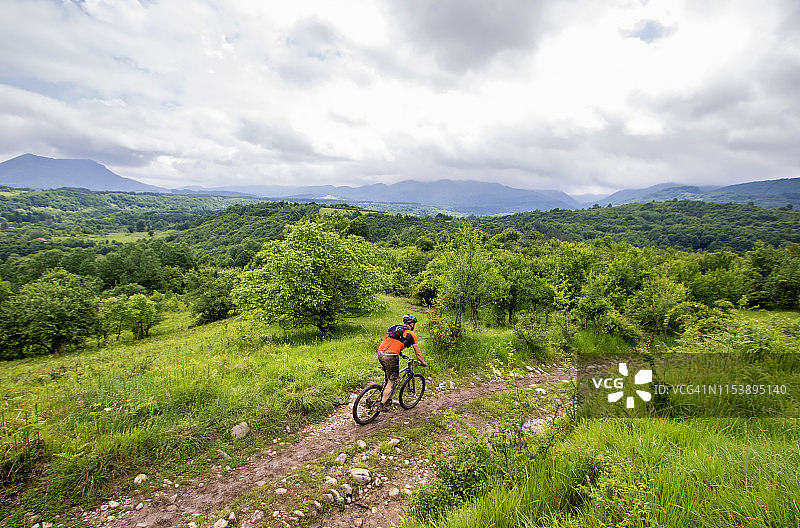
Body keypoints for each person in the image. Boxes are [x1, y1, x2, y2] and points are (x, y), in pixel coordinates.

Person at [377, 314, 427, 411]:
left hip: (380, 352)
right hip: (391, 356)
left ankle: (387, 398)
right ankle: (381, 405)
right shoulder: (411, 334)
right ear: (411, 324)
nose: (414, 326)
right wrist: (423, 362)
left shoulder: (394, 328)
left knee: (388, 377)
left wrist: (400, 353)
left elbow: (392, 342)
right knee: (392, 381)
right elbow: (417, 352)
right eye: (414, 324)